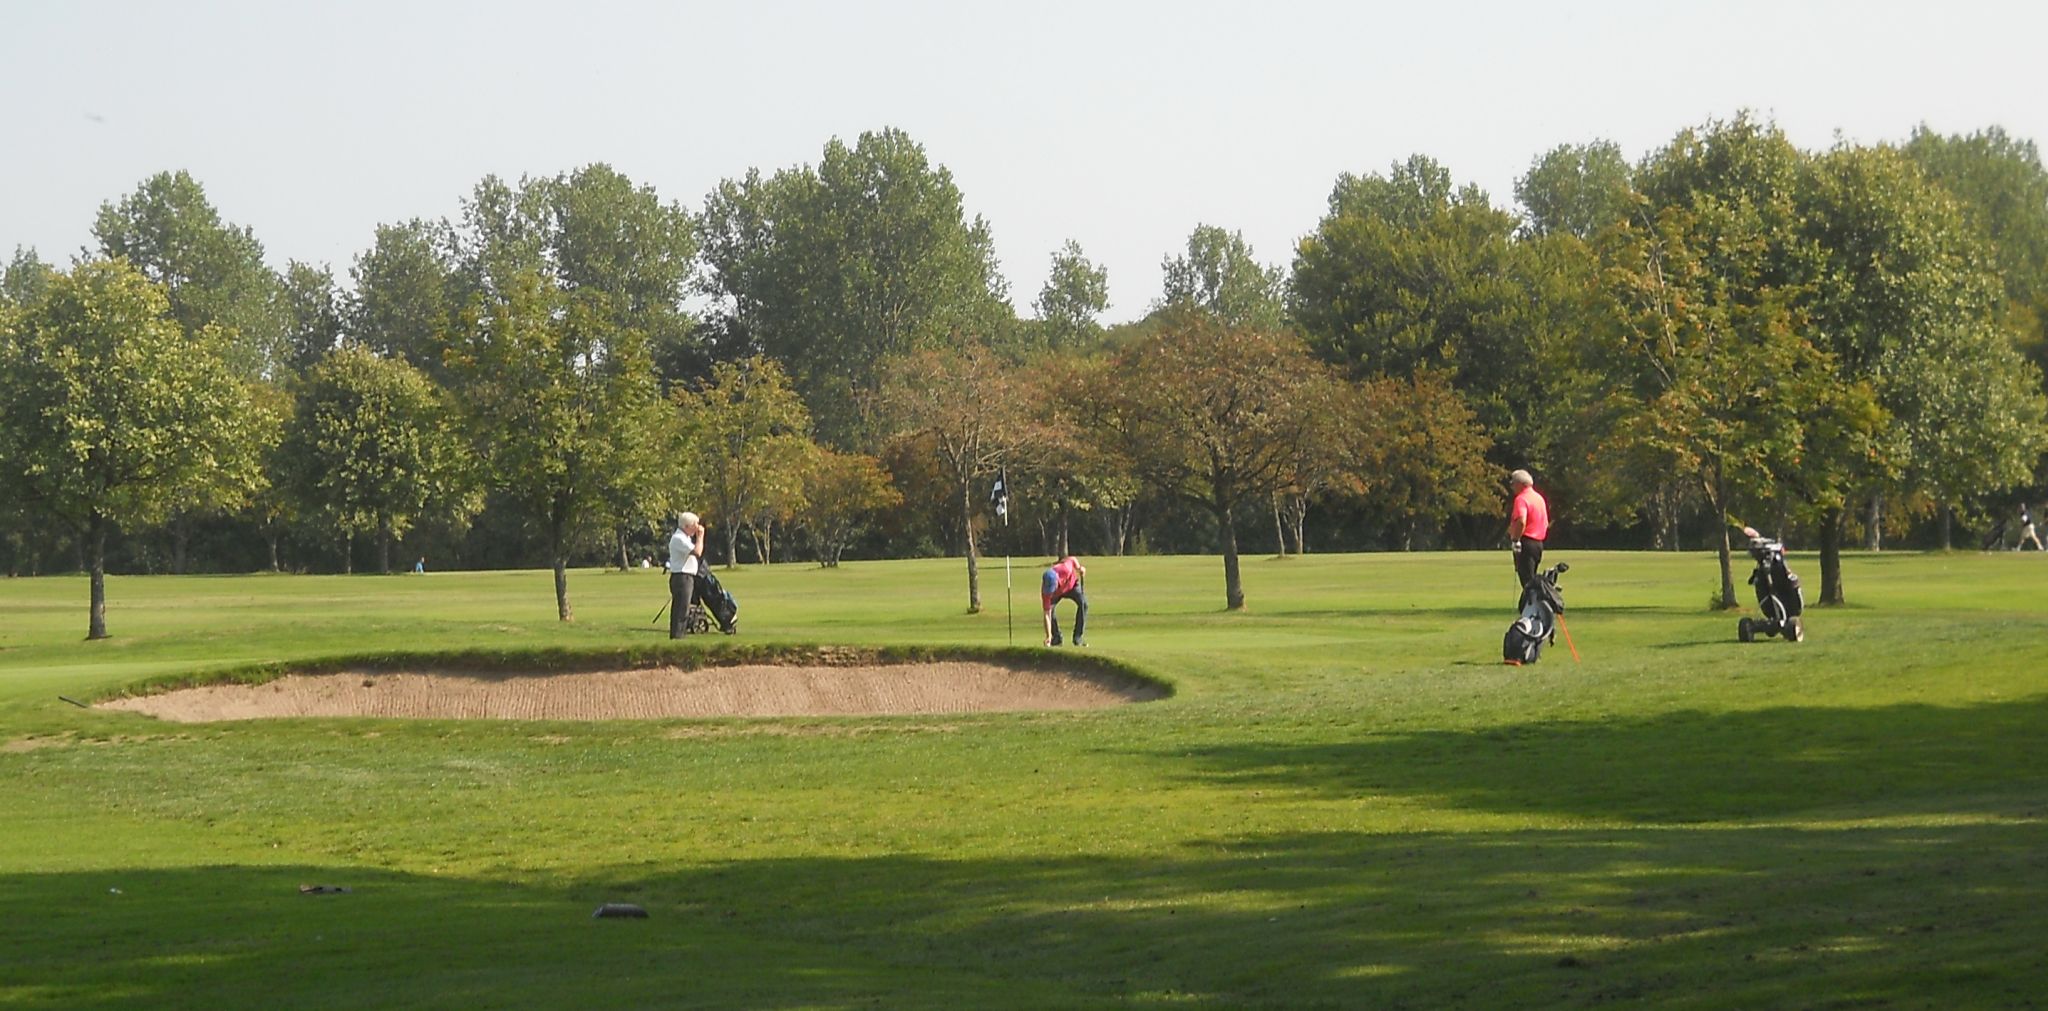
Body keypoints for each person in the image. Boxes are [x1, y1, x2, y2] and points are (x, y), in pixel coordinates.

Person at [1506, 469, 1549, 600]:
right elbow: (1545, 522)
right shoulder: (1539, 498)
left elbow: (1521, 521)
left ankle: (1532, 611)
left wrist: (1515, 539)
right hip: (1538, 544)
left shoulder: (1521, 499)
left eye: (1513, 484)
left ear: (1520, 484)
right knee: (1531, 579)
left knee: (1528, 584)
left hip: (1526, 542)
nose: (1512, 487)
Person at [666, 512, 705, 638]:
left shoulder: (685, 538)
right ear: (687, 526)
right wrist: (700, 537)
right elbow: (697, 552)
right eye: (695, 524)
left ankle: (679, 635)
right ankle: (677, 637)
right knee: (681, 610)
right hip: (682, 577)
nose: (697, 527)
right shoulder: (679, 538)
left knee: (683, 609)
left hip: (686, 577)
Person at [1041, 555, 1087, 647]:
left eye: (1052, 588)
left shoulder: (1065, 569)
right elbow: (1047, 614)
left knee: (1083, 604)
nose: (1051, 591)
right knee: (1051, 610)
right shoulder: (1046, 591)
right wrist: (1048, 636)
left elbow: (1072, 559)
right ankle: (1056, 638)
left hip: (1071, 586)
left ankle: (1078, 637)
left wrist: (1079, 568)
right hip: (1058, 594)